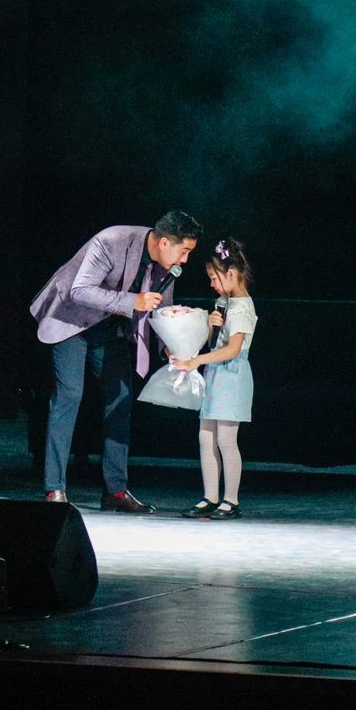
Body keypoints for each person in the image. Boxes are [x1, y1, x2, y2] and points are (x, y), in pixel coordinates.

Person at [31, 210, 202, 512]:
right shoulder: (112, 241)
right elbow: (80, 290)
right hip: (70, 321)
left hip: (111, 328)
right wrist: (132, 301)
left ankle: (116, 491)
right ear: (164, 242)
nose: (185, 260)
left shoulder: (167, 267)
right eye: (184, 251)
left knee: (120, 400)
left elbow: (162, 309)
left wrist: (170, 347)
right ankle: (54, 488)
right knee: (69, 395)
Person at [172, 238, 255, 520]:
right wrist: (209, 325)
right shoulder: (223, 302)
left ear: (231, 273)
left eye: (214, 278)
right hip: (215, 373)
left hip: (232, 375)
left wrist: (196, 361)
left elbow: (232, 349)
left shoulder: (242, 307)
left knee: (226, 440)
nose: (212, 284)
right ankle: (210, 496)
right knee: (206, 437)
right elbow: (214, 342)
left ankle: (231, 500)